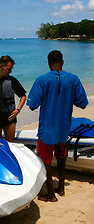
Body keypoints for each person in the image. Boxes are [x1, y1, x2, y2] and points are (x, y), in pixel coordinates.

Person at [27, 50, 88, 202]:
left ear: (48, 63)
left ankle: (51, 195)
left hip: (47, 130)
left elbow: (32, 104)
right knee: (61, 157)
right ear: (62, 62)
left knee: (46, 161)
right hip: (64, 129)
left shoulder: (42, 80)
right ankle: (61, 189)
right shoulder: (73, 79)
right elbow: (83, 103)